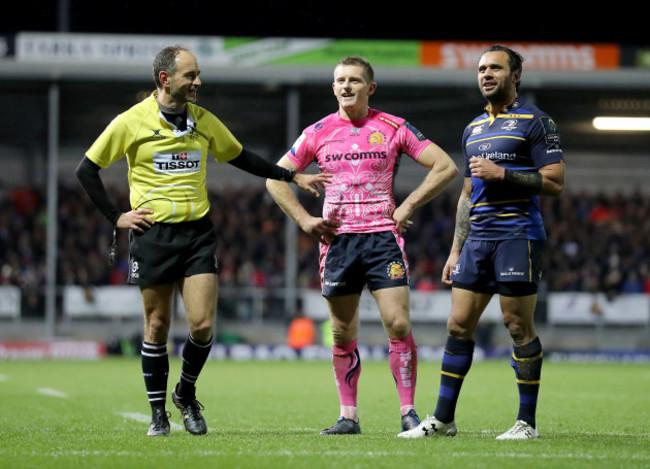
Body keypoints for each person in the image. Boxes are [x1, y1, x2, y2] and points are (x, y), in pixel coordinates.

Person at [76, 44, 329, 436]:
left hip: (197, 233)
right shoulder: (130, 122)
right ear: (165, 80)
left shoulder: (204, 121)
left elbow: (241, 157)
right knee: (157, 324)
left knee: (203, 325)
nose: (198, 82)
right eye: (190, 75)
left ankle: (185, 393)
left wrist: (292, 176)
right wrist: (117, 217)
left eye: (198, 74)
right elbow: (86, 169)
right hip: (153, 233)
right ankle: (158, 413)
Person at [266, 56, 458, 434]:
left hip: (382, 238)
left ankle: (408, 412)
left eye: (354, 80)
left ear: (370, 88)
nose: (346, 86)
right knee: (341, 332)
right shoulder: (317, 132)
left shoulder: (392, 127)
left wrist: (408, 204)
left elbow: (446, 166)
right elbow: (275, 179)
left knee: (399, 323)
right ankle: (348, 416)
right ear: (333, 86)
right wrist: (304, 220)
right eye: (340, 80)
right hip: (338, 243)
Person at [398, 45, 565, 440]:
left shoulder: (536, 121)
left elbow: (555, 182)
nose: (486, 74)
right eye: (481, 69)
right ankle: (443, 420)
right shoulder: (473, 128)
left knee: (517, 325)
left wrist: (502, 173)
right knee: (457, 325)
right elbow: (468, 191)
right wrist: (456, 249)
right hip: (477, 241)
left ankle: (527, 423)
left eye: (495, 68)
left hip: (517, 235)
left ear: (515, 75)